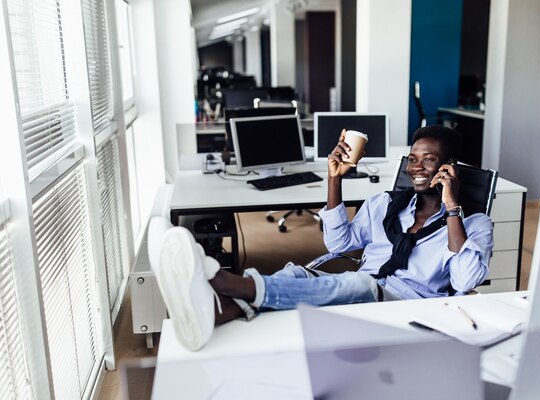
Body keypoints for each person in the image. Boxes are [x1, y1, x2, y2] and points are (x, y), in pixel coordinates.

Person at [149, 125, 494, 350]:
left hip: (407, 308)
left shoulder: (475, 225)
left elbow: (465, 281)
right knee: (297, 273)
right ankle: (216, 310)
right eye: (413, 159)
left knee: (359, 286)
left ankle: (226, 282)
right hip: (361, 285)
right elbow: (338, 244)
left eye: (429, 160)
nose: (416, 167)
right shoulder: (386, 205)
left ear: (449, 166)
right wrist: (334, 180)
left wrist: (451, 208)